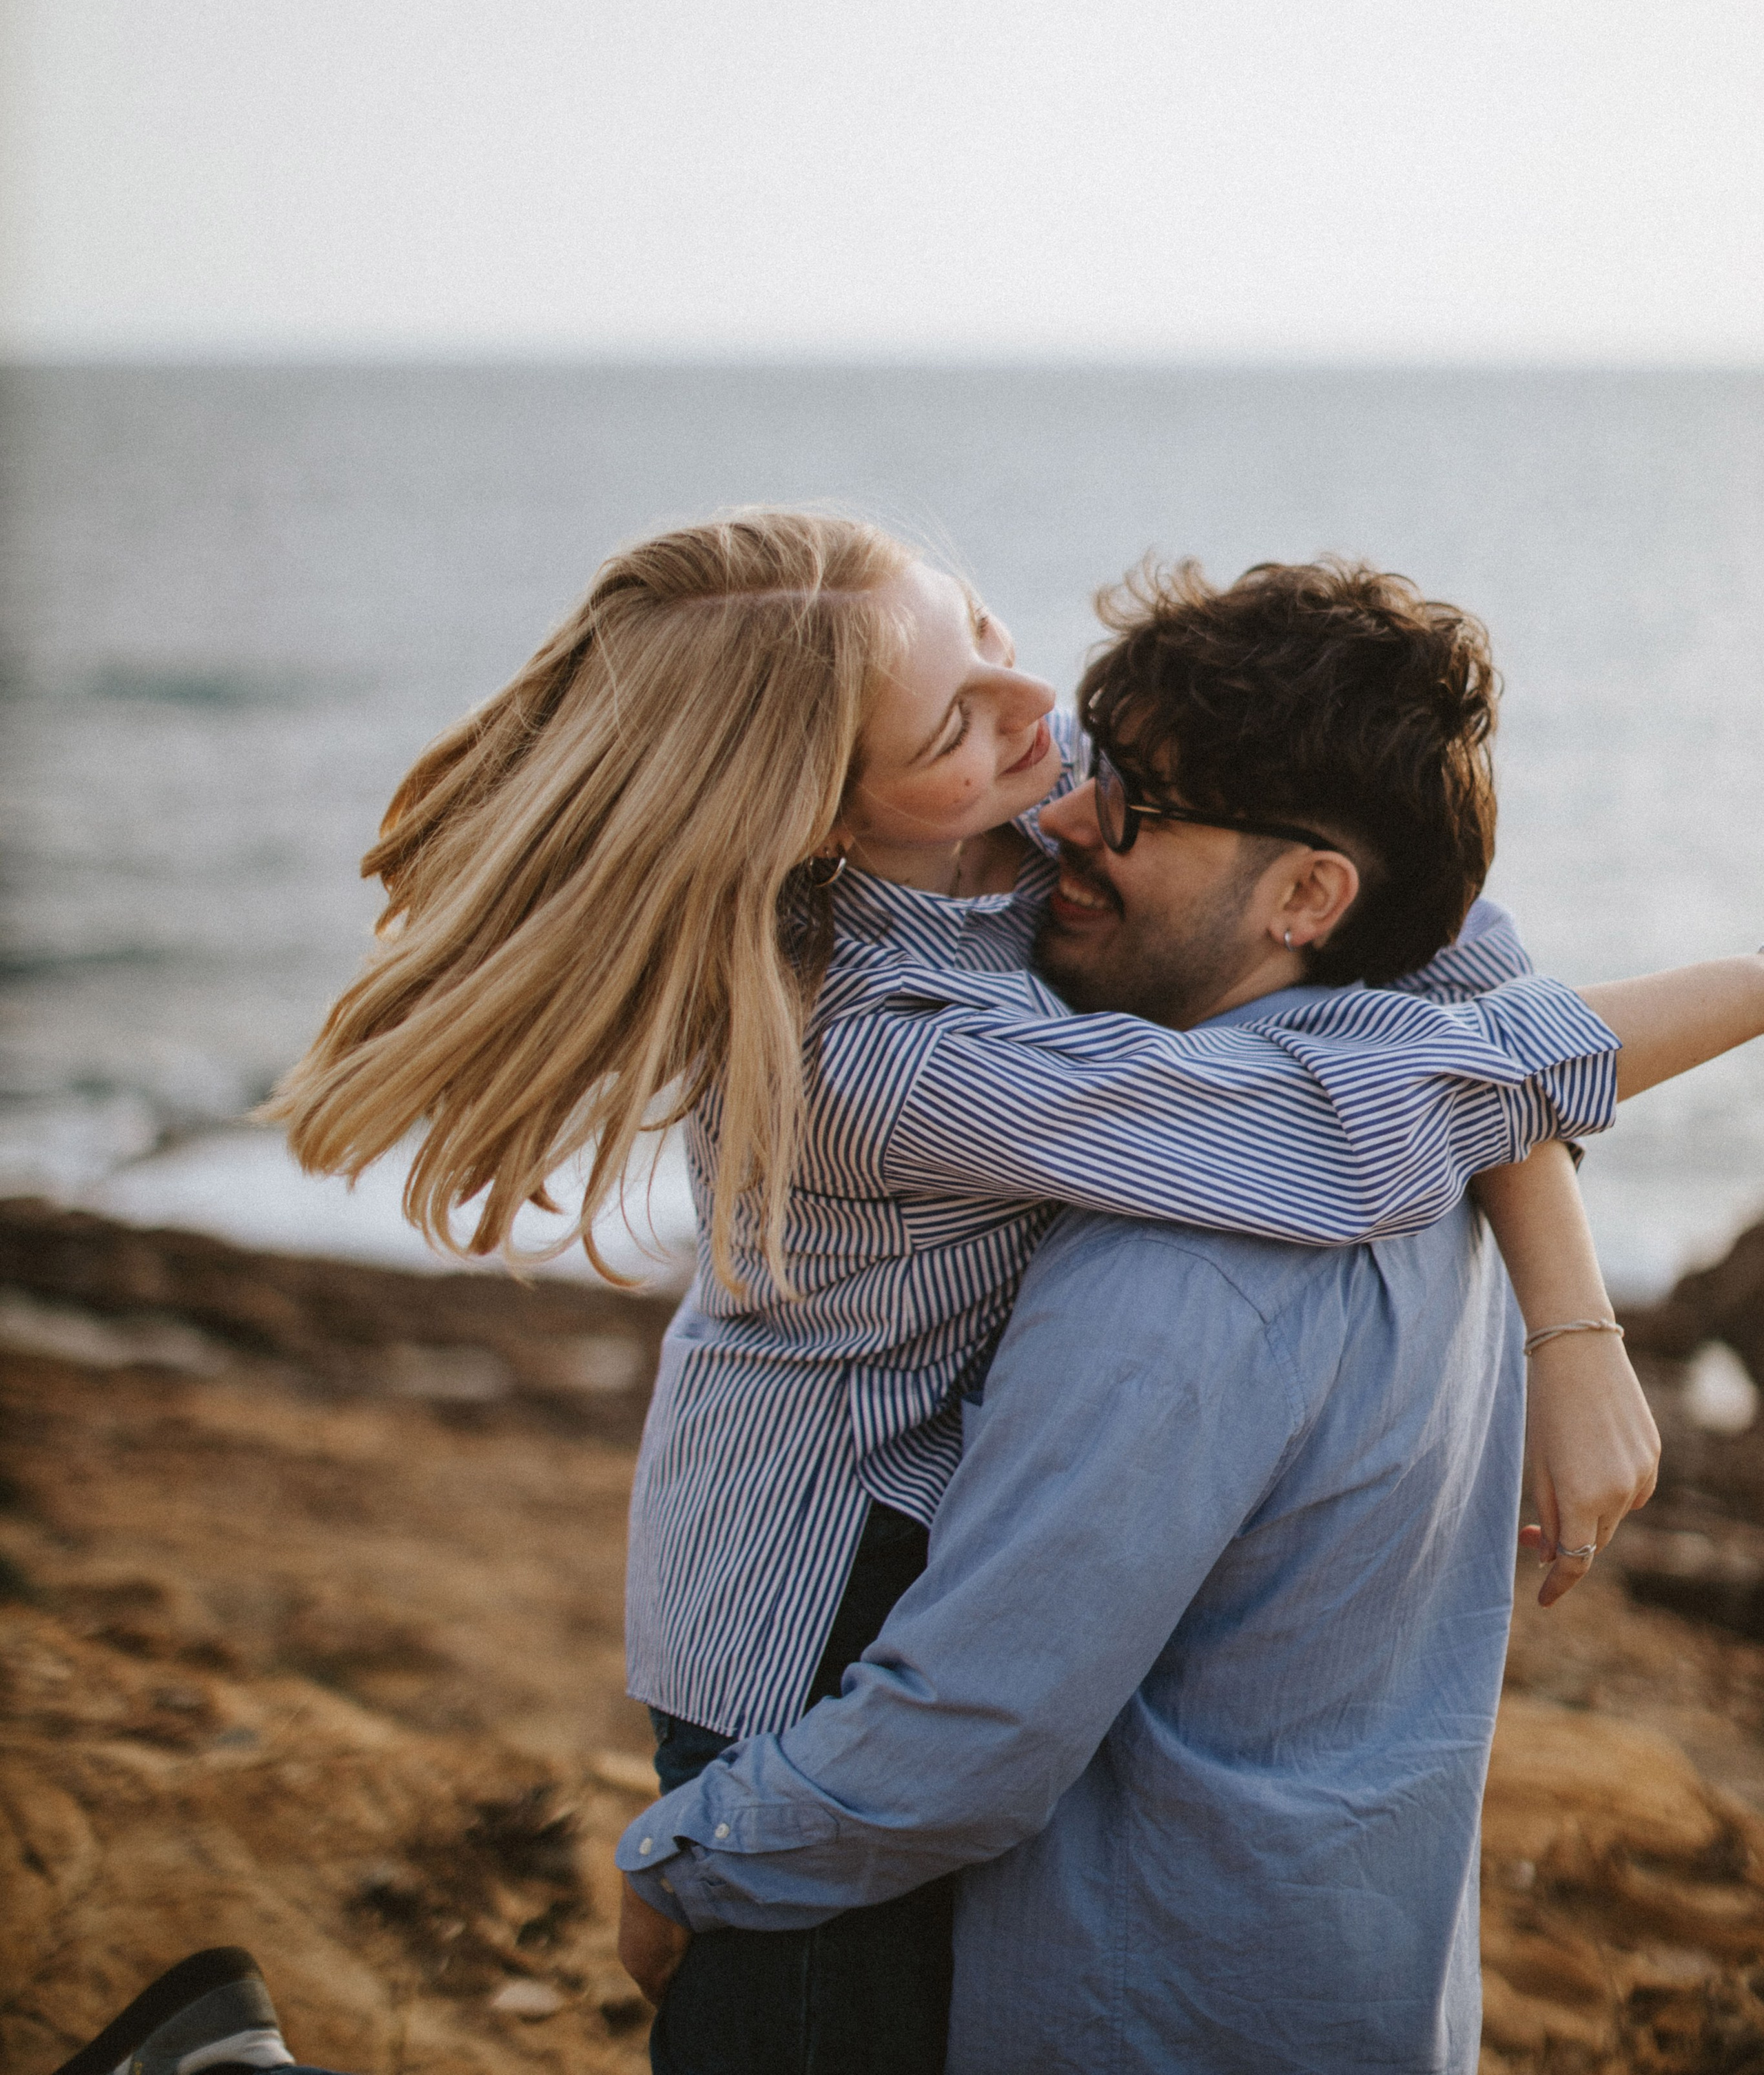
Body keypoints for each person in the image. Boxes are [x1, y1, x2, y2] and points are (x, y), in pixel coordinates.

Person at [267, 513, 1739, 2075]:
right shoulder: (882, 1058)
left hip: (925, 1592)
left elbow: (1436, 944)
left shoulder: (1017, 799)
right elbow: (1368, 1103)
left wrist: (1572, 1329)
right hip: (807, 1638)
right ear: (830, 813)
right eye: (954, 722)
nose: (1040, 712)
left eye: (979, 628)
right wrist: (683, 1861)